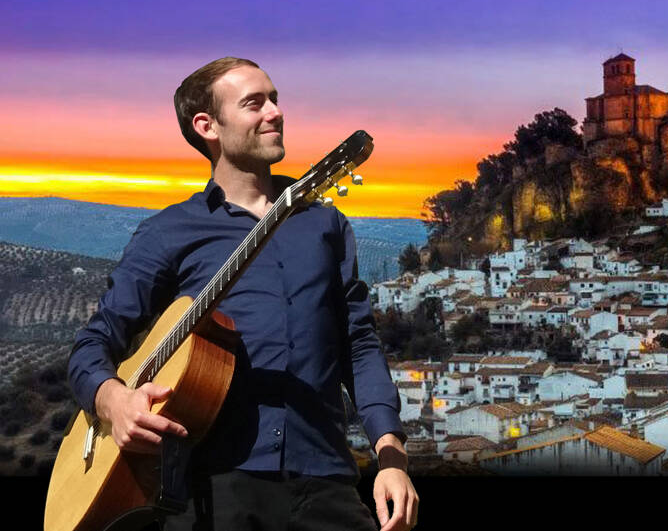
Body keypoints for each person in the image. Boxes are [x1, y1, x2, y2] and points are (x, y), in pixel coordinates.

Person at [67, 57, 419, 530]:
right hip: (209, 490)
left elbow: (358, 343)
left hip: (325, 477)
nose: (274, 112)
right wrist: (112, 400)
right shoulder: (169, 231)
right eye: (255, 103)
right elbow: (93, 344)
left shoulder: (323, 224)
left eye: (275, 99)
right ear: (206, 125)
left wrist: (390, 454)